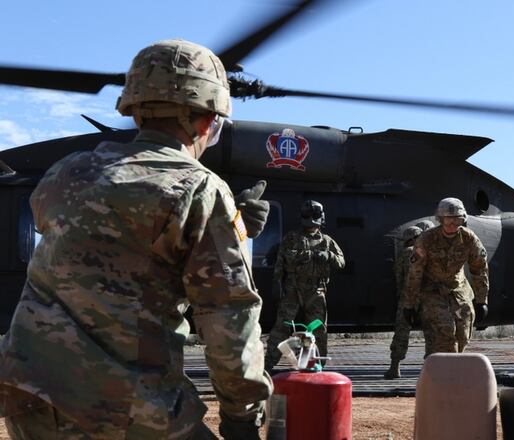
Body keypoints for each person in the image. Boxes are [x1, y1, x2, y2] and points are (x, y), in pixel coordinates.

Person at [0, 39, 272, 439]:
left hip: (27, 394)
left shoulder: (66, 172)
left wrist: (226, 228)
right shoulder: (200, 188)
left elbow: (100, 245)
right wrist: (242, 416)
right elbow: (229, 317)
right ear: (204, 121)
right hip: (121, 406)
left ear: (136, 111)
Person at [402, 198, 489, 356]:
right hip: (432, 289)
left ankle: (454, 366)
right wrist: (409, 304)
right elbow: (415, 273)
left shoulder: (469, 239)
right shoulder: (426, 240)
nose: (452, 227)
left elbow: (479, 268)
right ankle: (439, 370)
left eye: (457, 222)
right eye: (448, 222)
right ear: (441, 220)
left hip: (458, 287)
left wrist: (482, 300)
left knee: (463, 331)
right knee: (444, 330)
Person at [265, 200, 345, 372]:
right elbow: (281, 261)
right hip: (292, 289)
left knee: (317, 330)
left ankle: (315, 364)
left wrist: (329, 256)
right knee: (282, 327)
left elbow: (341, 262)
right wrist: (276, 283)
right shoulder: (291, 238)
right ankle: (268, 365)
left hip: (316, 291)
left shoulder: (327, 241)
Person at [384, 221, 433, 379]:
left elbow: (399, 276)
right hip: (426, 297)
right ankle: (431, 369)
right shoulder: (428, 252)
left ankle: (395, 367)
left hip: (407, 297)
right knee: (430, 333)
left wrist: (401, 295)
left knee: (401, 332)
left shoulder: (405, 253)